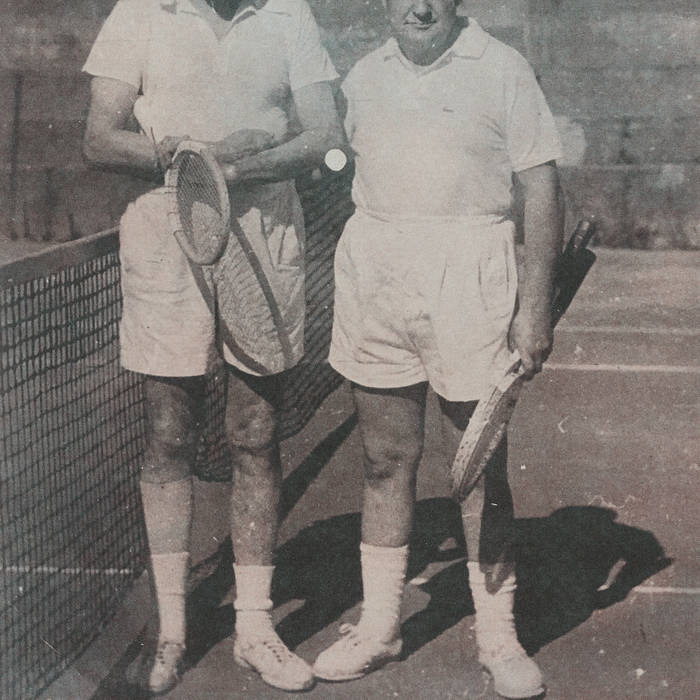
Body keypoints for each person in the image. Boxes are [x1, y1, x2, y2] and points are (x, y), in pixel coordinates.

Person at [82, 0, 344, 693]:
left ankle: (255, 630)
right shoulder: (139, 13)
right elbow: (99, 140)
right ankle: (172, 633)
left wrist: (241, 165)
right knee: (170, 434)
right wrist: (186, 155)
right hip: (164, 236)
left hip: (267, 238)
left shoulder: (289, 14)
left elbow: (326, 136)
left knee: (255, 432)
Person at [314, 1, 563, 698]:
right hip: (378, 273)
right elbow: (339, 168)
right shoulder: (362, 77)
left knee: (478, 465)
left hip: (471, 273)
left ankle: (498, 637)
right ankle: (381, 628)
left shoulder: (504, 69)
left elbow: (542, 188)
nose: (419, 6)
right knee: (384, 459)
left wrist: (535, 309)